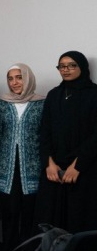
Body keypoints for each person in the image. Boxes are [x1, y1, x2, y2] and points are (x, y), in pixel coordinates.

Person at [38, 51, 97, 232]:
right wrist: (49, 163)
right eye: (62, 66)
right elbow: (44, 130)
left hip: (83, 169)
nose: (66, 70)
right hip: (54, 170)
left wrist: (77, 165)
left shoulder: (94, 94)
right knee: (50, 220)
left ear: (82, 67)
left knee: (79, 219)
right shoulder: (54, 94)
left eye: (72, 65)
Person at [0, 64, 45, 251]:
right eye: (11, 78)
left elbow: (45, 136)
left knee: (29, 215)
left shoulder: (41, 103)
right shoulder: (2, 103)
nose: (14, 82)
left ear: (28, 78)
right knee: (10, 213)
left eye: (19, 77)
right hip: (7, 168)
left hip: (32, 167)